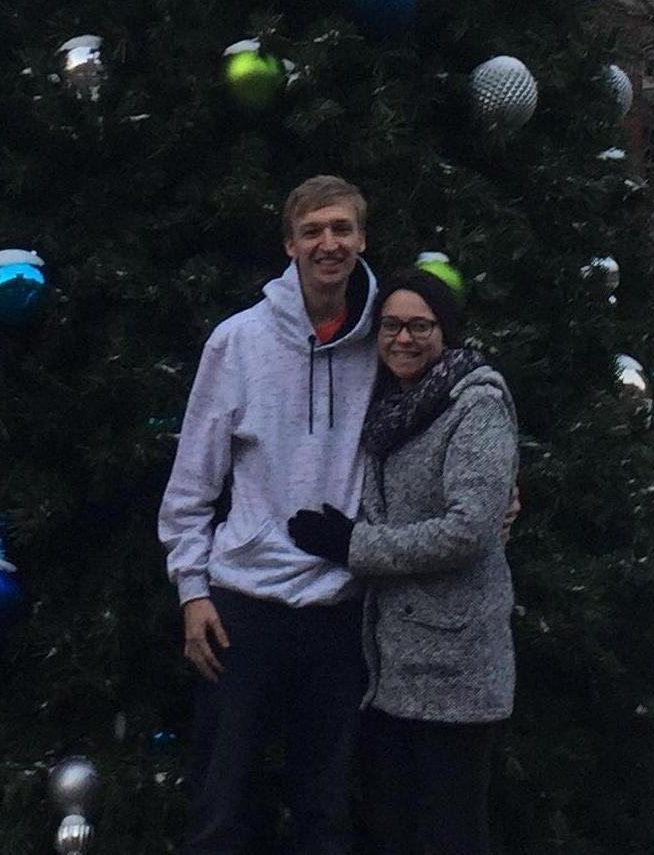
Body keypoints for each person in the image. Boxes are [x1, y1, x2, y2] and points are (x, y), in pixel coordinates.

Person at [159, 175, 381, 855]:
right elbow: (192, 482)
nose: (328, 243)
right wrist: (193, 591)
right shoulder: (238, 342)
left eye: (341, 228)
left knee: (327, 815)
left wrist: (501, 498)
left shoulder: (390, 343)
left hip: (341, 611)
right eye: (312, 231)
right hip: (244, 610)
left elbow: (447, 435)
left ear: (362, 239)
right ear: (289, 245)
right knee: (222, 810)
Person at [288, 271, 518, 855]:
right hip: (391, 668)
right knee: (392, 829)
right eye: (392, 325)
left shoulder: (476, 403)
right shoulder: (388, 406)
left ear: (446, 331)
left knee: (450, 833)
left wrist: (355, 545)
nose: (404, 339)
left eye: (421, 325)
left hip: (456, 668)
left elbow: (469, 529)